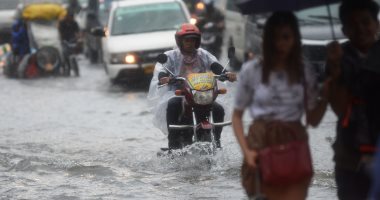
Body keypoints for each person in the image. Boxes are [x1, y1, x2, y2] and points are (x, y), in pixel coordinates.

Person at [232, 11, 329, 200]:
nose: (280, 43)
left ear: (295, 39)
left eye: (286, 37)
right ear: (266, 39)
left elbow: (313, 120)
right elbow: (237, 116)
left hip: (294, 143)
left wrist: (325, 95)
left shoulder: (304, 71)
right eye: (275, 37)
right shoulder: (252, 70)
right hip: (260, 142)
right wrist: (247, 152)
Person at [148, 23, 236, 150]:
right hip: (180, 93)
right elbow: (163, 69)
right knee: (172, 105)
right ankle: (172, 145)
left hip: (202, 94)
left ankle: (217, 142)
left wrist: (226, 73)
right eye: (187, 40)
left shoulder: (203, 54)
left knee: (218, 109)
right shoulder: (171, 56)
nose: (190, 43)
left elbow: (215, 65)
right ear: (180, 41)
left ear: (198, 40)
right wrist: (164, 78)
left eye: (193, 40)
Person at [325, 1, 380, 199]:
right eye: (353, 24)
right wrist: (336, 70)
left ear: (377, 24)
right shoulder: (337, 57)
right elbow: (338, 108)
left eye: (366, 22)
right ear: (344, 29)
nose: (361, 29)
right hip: (349, 155)